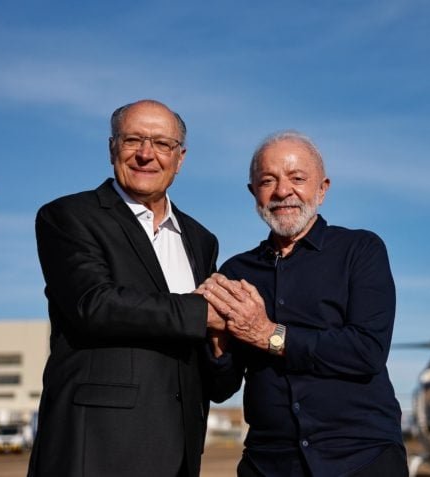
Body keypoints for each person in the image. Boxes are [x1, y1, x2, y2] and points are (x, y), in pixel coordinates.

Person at [27, 99, 240, 477]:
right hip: (96, 449)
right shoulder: (68, 216)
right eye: (133, 140)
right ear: (113, 148)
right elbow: (95, 305)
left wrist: (223, 349)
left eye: (162, 144)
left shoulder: (201, 239)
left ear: (180, 158)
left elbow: (206, 357)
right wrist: (204, 313)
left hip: (179, 452)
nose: (146, 154)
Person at [200, 131, 408, 476]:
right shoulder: (236, 272)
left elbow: (367, 351)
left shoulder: (360, 250)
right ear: (254, 193)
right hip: (269, 463)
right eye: (268, 181)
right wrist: (218, 336)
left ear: (322, 189)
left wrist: (269, 334)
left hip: (360, 458)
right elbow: (221, 389)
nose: (283, 191)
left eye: (297, 178)